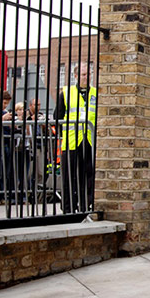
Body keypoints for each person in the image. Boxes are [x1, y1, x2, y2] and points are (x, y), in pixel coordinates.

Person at [54, 62, 97, 214]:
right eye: (84, 75)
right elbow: (57, 118)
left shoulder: (95, 94)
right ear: (76, 76)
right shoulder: (65, 93)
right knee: (68, 177)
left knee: (88, 177)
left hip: (89, 141)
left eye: (89, 74)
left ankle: (86, 206)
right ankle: (68, 208)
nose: (87, 77)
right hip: (71, 141)